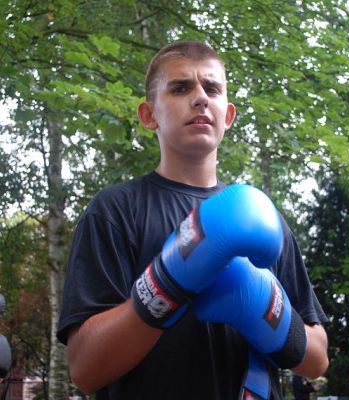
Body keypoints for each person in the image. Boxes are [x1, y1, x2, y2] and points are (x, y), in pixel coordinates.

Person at [57, 40, 329, 400]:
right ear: (149, 115)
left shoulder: (264, 217)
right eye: (181, 88)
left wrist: (266, 308)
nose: (200, 97)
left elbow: (318, 360)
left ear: (227, 116)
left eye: (212, 89)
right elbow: (85, 369)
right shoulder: (114, 210)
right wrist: (168, 282)